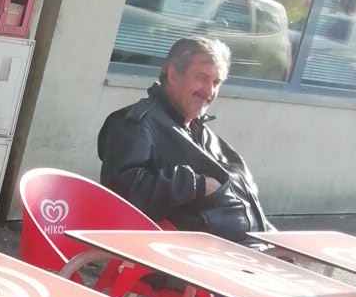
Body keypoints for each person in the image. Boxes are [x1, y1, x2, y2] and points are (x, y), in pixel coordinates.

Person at [98, 34, 270, 243]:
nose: (209, 91)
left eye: (216, 82)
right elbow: (123, 194)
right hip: (198, 253)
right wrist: (199, 185)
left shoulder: (202, 133)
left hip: (255, 245)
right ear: (173, 74)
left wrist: (275, 240)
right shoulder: (136, 124)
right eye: (202, 78)